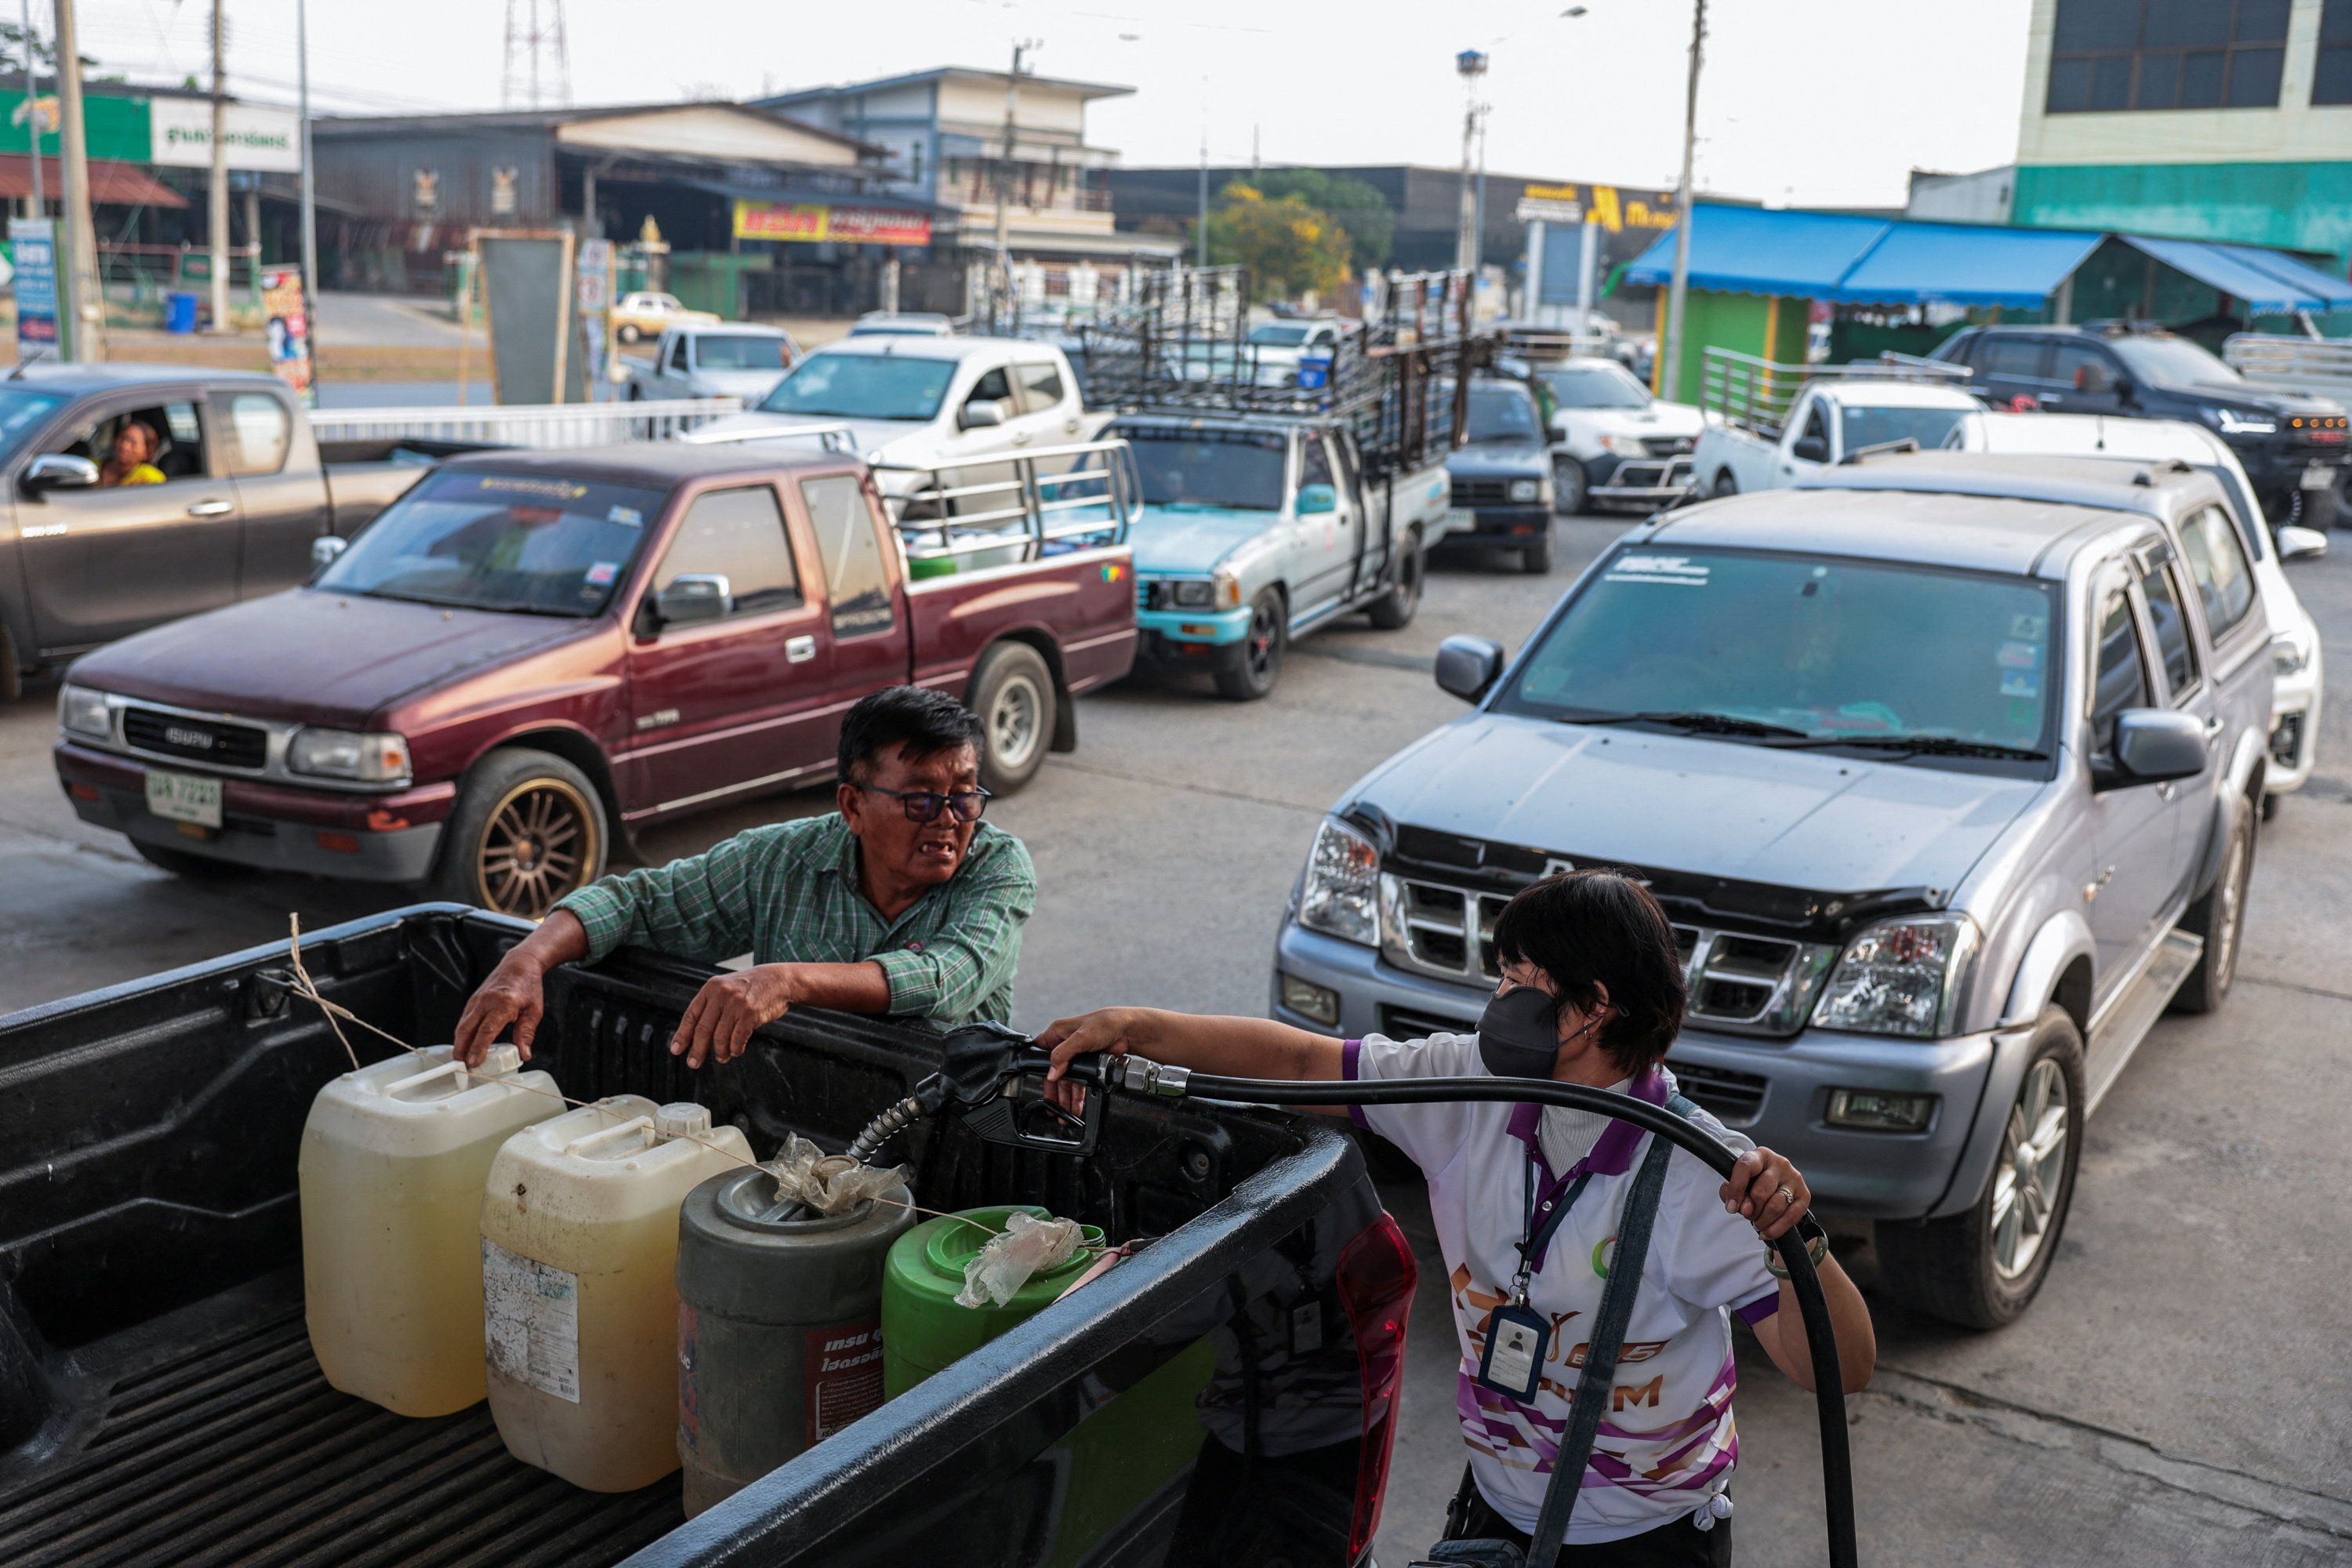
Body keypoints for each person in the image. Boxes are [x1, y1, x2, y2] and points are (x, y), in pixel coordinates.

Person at [1044, 869, 1875, 1566]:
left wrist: (1791, 1238)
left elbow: (1841, 1367)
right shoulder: (1465, 1085)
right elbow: (1301, 1058)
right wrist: (1137, 1029)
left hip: (1647, 1539)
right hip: (1494, 1512)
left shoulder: (1705, 1172)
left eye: (1519, 981)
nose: (1498, 999)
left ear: (1591, 1007)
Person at [454, 685, 1036, 1069]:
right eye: (920, 800)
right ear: (853, 805)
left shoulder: (998, 866)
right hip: (799, 1113)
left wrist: (786, 980)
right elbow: (639, 902)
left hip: (946, 1119)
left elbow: (942, 978)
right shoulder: (778, 860)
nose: (948, 821)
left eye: (963, 796)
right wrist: (527, 959)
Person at [100, 420, 165, 487]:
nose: (124, 446)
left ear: (147, 453)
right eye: (122, 438)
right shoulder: (93, 466)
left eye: (133, 443)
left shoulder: (150, 478)